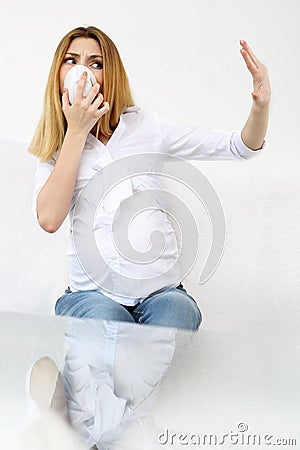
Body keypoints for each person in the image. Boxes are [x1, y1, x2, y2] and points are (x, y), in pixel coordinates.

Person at [29, 26, 270, 331]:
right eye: (72, 61)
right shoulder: (55, 147)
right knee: (110, 325)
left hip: (161, 293)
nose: (83, 72)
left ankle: (91, 374)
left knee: (177, 315)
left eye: (96, 63)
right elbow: (49, 219)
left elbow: (238, 146)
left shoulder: (147, 128)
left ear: (110, 75)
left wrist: (260, 108)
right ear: (59, 75)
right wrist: (76, 131)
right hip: (90, 296)